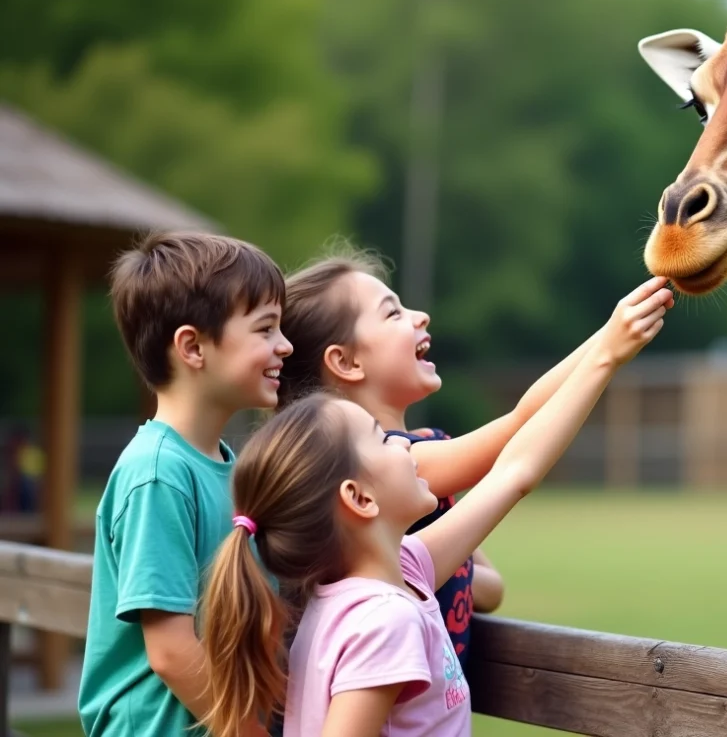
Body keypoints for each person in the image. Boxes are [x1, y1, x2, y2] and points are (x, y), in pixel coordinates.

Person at [199, 276, 673, 737]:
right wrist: (605, 349)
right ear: (359, 498)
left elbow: (515, 472)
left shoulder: (407, 571)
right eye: (382, 441)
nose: (408, 448)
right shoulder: (383, 622)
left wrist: (606, 357)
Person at [277, 245, 670, 663]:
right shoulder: (394, 466)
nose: (419, 316)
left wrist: (429, 575)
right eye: (392, 313)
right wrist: (607, 344)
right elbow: (521, 429)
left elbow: (491, 588)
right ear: (346, 362)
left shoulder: (427, 454)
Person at [78, 232, 292, 737]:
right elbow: (172, 650)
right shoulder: (157, 475)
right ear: (192, 347)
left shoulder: (226, 465)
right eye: (265, 329)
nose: (284, 345)